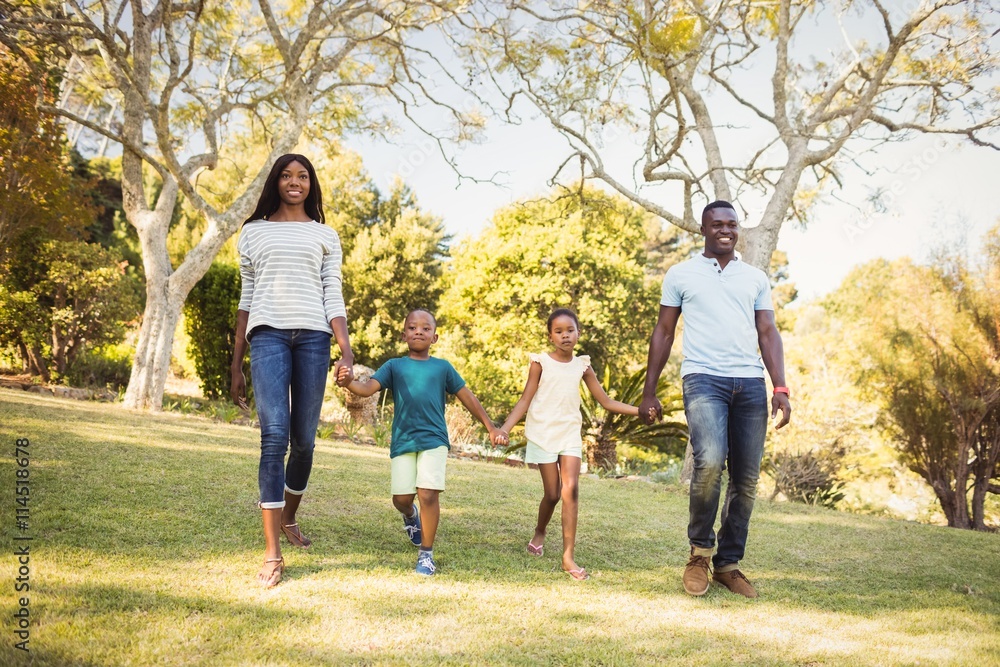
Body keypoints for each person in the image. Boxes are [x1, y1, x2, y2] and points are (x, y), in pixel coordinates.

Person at [639, 200, 791, 599]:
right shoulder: (681, 274)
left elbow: (768, 332)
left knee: (746, 478)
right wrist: (649, 389)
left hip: (749, 382)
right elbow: (664, 331)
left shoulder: (755, 277)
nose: (726, 230)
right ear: (703, 230)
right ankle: (699, 555)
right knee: (708, 462)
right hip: (703, 378)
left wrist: (780, 387)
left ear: (738, 230)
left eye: (732, 224)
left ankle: (728, 564)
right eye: (717, 224)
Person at [230, 154, 354, 589]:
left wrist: (346, 350)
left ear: (311, 184)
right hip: (267, 338)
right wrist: (235, 364)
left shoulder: (325, 235)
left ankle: (289, 517)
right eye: (286, 175)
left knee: (303, 442)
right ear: (276, 182)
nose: (294, 182)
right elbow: (246, 298)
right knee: (274, 438)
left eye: (302, 176)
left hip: (315, 340)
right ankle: (271, 553)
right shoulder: (253, 232)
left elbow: (332, 294)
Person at [345, 309, 501, 576]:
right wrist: (347, 382)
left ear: (435, 337)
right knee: (401, 499)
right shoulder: (394, 366)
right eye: (413, 327)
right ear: (404, 334)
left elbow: (467, 397)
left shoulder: (442, 368)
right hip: (404, 440)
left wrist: (490, 425)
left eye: (426, 328)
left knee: (428, 493)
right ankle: (410, 516)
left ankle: (426, 555)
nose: (419, 331)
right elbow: (368, 388)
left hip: (434, 439)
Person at [494, 308, 640, 581]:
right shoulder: (540, 362)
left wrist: (639, 411)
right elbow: (525, 400)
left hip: (569, 435)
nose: (565, 336)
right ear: (550, 336)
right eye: (558, 332)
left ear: (578, 333)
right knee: (552, 494)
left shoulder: (582, 365)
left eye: (569, 331)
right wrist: (504, 428)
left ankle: (567, 557)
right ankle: (540, 531)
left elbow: (605, 401)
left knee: (570, 490)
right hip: (542, 433)